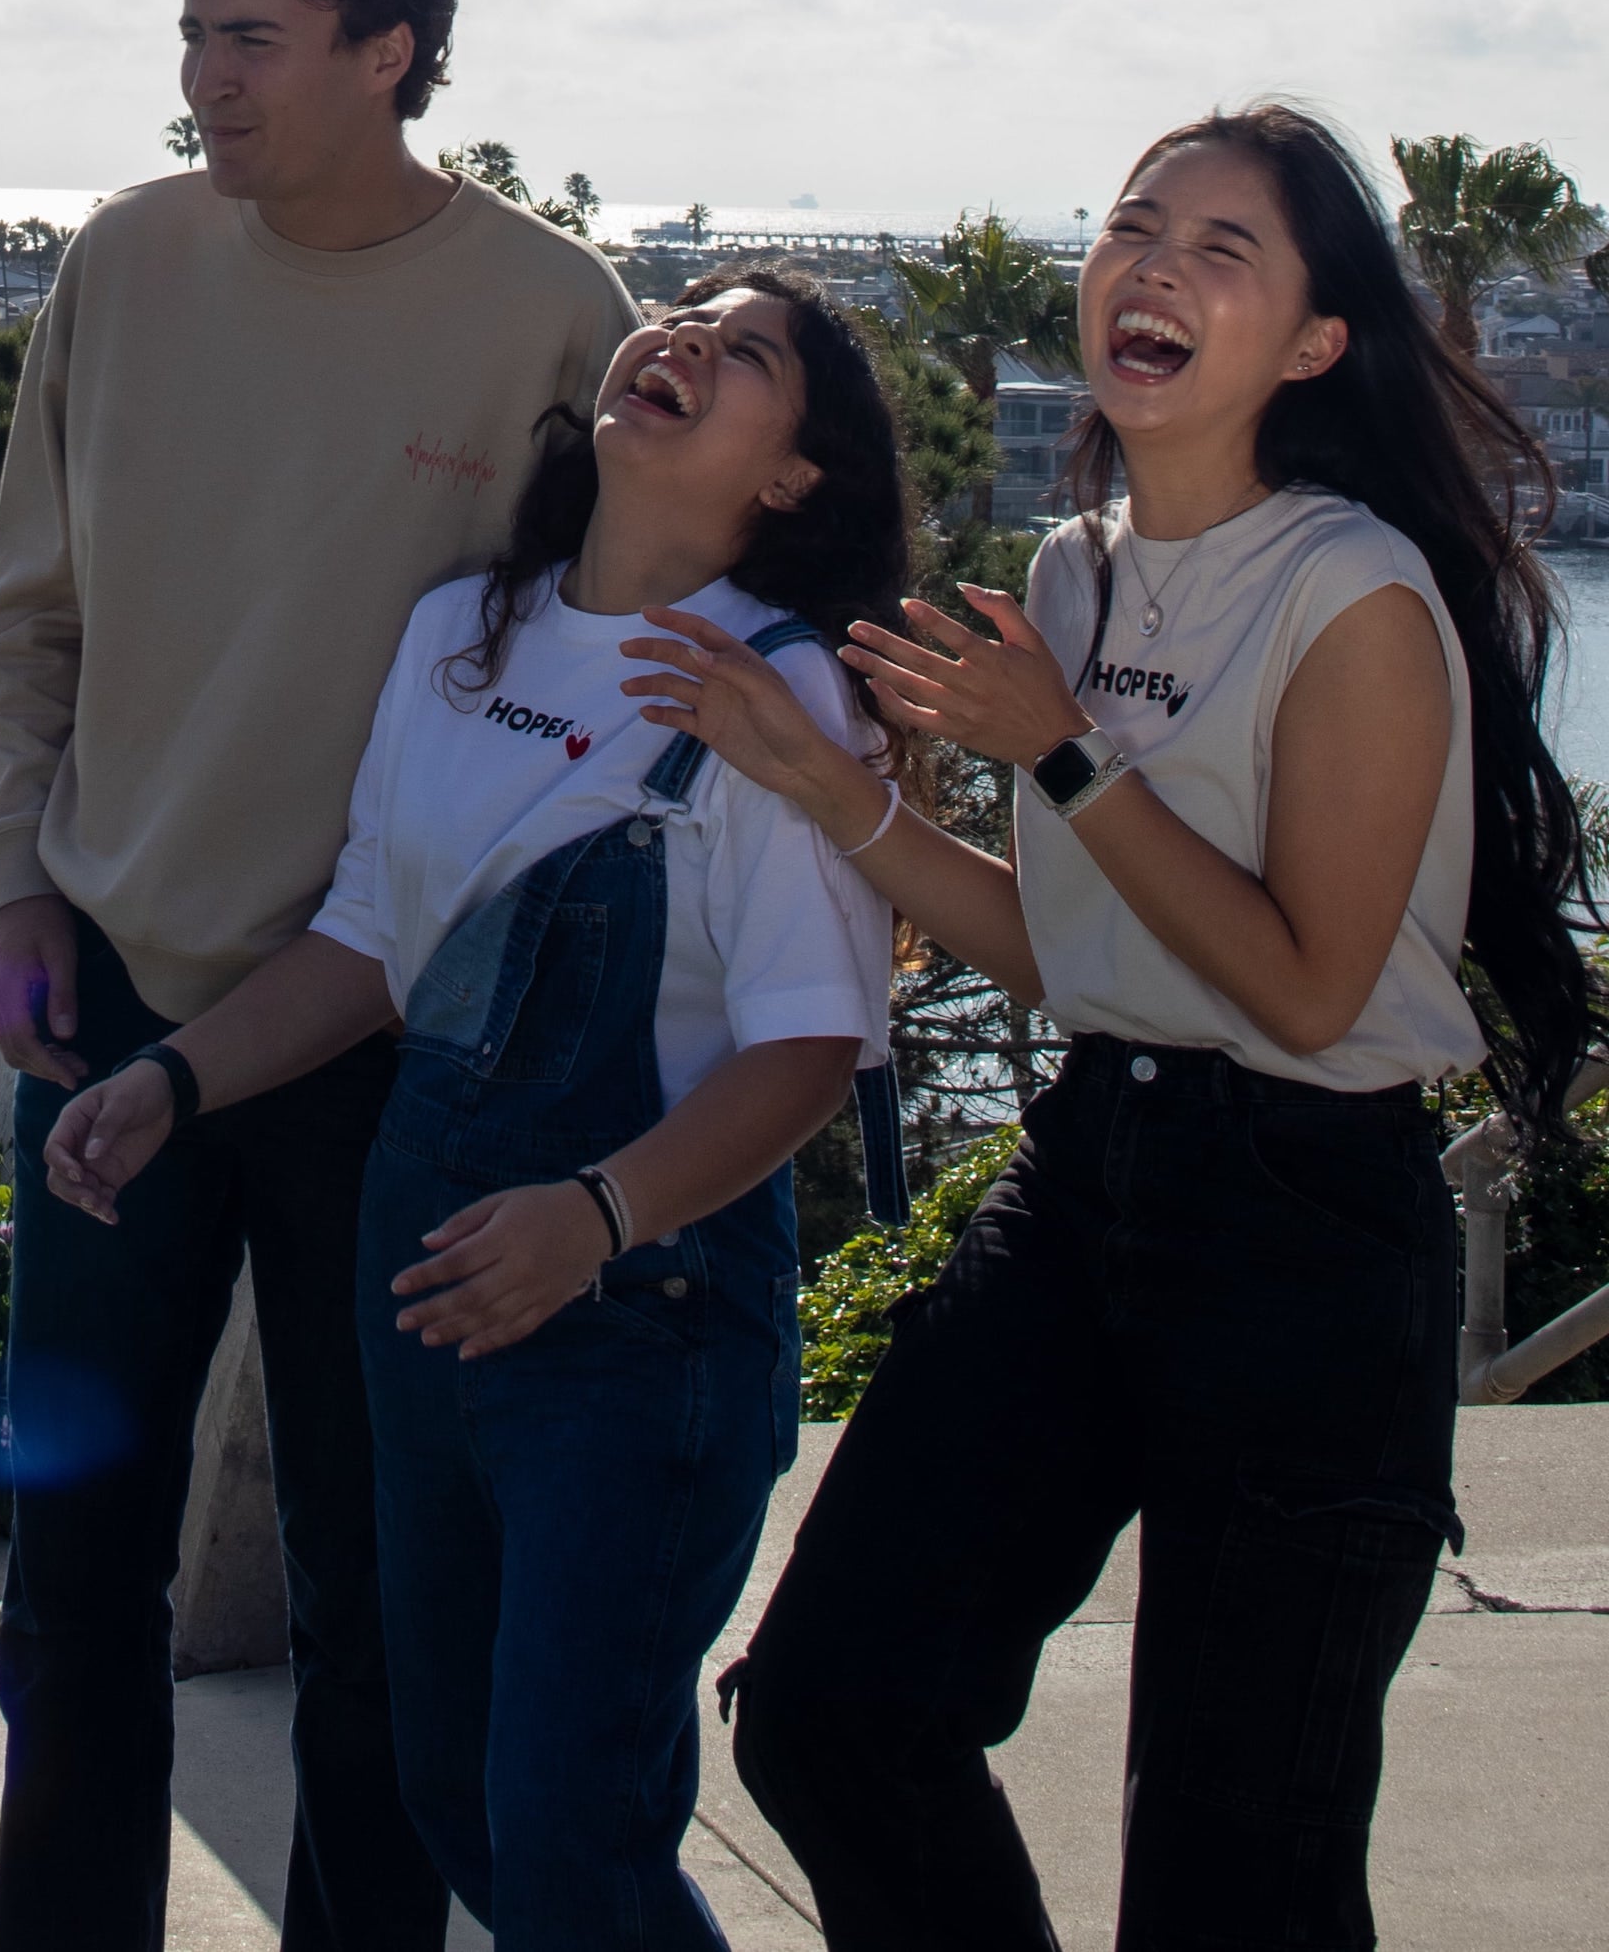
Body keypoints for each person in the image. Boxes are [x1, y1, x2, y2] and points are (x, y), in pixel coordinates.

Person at [634, 104, 1595, 1952]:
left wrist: (1062, 745)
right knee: (836, 1707)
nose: (1152, 268)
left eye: (1223, 250)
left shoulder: (1353, 592)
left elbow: (1312, 986)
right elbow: (1075, 958)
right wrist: (821, 784)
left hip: (1310, 1217)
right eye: (1137, 227)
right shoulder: (1070, 577)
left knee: (1241, 1871)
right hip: (1095, 1168)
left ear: (1317, 344)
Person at [42, 274, 911, 1952]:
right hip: (426, 1284)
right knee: (448, 1786)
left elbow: (810, 1050)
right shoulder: (465, 629)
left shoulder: (778, 695)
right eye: (680, 318)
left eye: (746, 358)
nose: (680, 346)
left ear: (794, 478)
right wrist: (175, 1079)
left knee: (571, 1836)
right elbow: (372, 935)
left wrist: (592, 1217)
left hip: (637, 1327)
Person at [0, 0, 638, 1952]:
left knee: (379, 1596)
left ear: (386, 51)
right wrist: (17, 887)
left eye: (250, 38)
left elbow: (613, 678)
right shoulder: (128, 262)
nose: (206, 85)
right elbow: (24, 615)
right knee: (75, 1583)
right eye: (190, 37)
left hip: (397, 1052)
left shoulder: (552, 318)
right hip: (111, 1004)